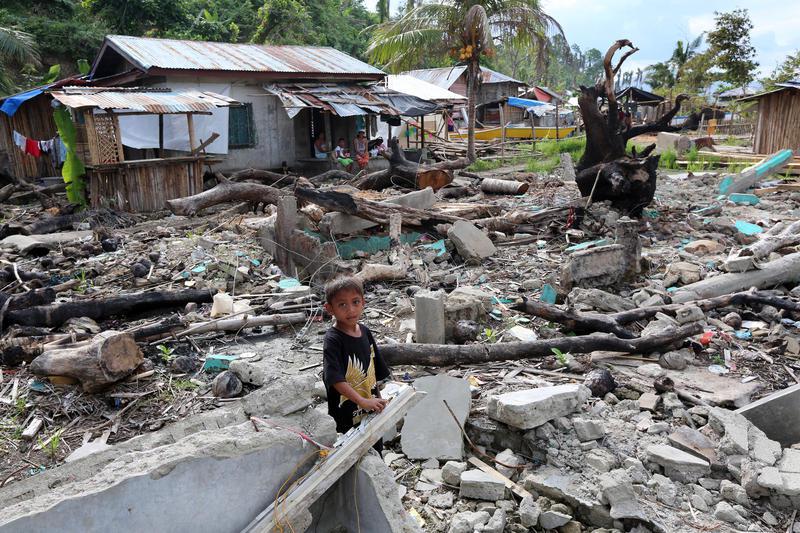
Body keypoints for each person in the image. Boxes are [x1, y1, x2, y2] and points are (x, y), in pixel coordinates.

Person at [322, 276, 391, 449]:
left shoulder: (365, 332)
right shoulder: (333, 340)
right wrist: (361, 400)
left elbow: (374, 370)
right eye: (342, 304)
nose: (350, 309)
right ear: (329, 308)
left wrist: (377, 400)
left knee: (375, 449)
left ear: (363, 302)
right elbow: (334, 378)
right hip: (346, 414)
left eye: (355, 302)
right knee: (352, 456)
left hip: (370, 408)